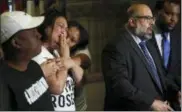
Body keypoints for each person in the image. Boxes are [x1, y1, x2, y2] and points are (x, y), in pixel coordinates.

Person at [101, 4, 174, 111]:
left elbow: (161, 76)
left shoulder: (149, 43)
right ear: (132, 22)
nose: (152, 23)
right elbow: (119, 85)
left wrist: (175, 92)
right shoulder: (115, 47)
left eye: (152, 19)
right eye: (147, 19)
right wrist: (151, 103)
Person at [0, 11, 54, 110]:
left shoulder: (34, 66)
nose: (39, 35)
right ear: (16, 43)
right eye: (33, 33)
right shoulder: (3, 83)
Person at [32, 8, 83, 111]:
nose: (64, 32)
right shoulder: (39, 54)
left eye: (66, 28)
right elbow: (57, 88)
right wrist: (65, 57)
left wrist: (69, 60)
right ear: (47, 29)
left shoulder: (55, 53)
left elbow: (79, 77)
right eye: (61, 26)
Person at [149, 0, 181, 110]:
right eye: (169, 14)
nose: (174, 19)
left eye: (177, 15)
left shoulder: (179, 37)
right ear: (157, 13)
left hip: (174, 104)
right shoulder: (143, 37)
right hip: (149, 105)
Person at [67, 21, 91, 111]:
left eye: (72, 40)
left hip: (77, 105)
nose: (66, 40)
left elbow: (85, 59)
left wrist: (69, 61)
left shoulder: (80, 49)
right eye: (67, 35)